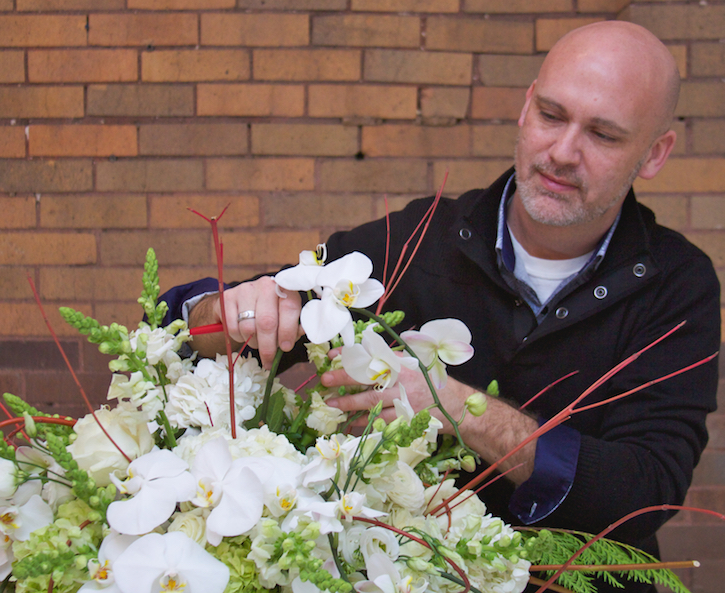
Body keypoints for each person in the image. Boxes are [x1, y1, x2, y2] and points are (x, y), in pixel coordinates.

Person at [161, 21, 720, 592]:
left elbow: (645, 491)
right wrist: (225, 310)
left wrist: (453, 404)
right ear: (526, 108)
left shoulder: (678, 285)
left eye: (603, 135)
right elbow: (194, 329)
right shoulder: (418, 237)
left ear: (653, 154)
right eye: (552, 115)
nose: (562, 152)